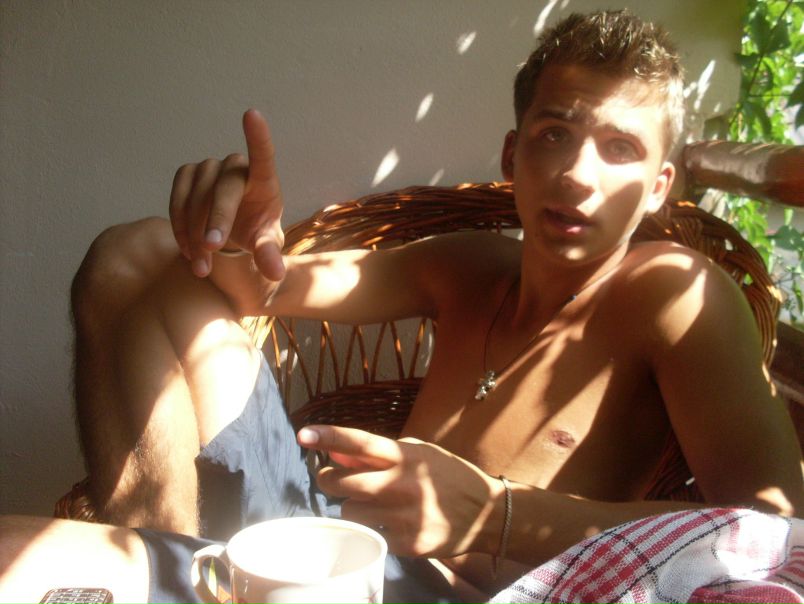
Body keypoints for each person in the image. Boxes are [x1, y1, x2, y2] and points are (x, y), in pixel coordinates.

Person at [1, 9, 802, 604]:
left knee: (15, 557)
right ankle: (176, 561)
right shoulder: (471, 265)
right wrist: (247, 241)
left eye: (620, 148)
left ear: (660, 186)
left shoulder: (678, 294)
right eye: (555, 133)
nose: (576, 175)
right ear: (513, 155)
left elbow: (775, 537)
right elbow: (271, 289)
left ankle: (169, 576)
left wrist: (497, 518)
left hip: (451, 592)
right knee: (135, 254)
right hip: (330, 531)